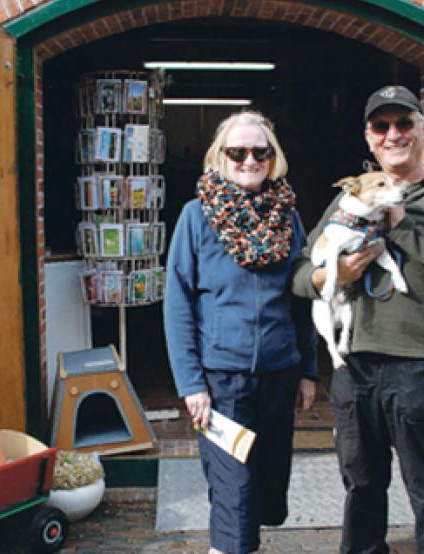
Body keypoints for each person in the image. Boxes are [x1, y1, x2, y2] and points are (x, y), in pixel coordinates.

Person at [291, 86, 424, 554]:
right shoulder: (351, 199)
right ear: (368, 138)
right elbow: (301, 274)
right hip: (355, 368)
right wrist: (333, 274)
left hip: (421, 366)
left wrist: (402, 222)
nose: (393, 135)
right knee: (361, 488)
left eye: (404, 123)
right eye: (381, 126)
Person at [164, 111, 317, 554]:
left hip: (279, 373)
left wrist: (308, 369)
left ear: (274, 159)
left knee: (267, 483)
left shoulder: (288, 218)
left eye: (260, 152)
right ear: (220, 157)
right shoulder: (196, 217)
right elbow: (178, 306)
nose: (249, 160)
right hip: (222, 379)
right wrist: (191, 383)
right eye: (237, 152)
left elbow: (302, 299)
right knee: (234, 484)